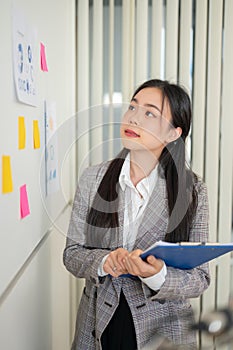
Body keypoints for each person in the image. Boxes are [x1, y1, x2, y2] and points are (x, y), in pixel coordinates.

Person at [63, 79, 210, 350]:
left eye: (150, 113)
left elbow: (200, 279)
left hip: (163, 327)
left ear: (173, 133)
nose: (134, 118)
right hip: (99, 321)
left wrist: (157, 274)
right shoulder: (93, 178)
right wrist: (106, 260)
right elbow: (71, 254)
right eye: (132, 107)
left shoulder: (193, 191)